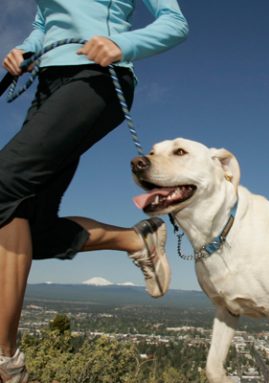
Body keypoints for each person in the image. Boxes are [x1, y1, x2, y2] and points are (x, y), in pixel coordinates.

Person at [0, 1, 189, 381]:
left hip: (98, 78)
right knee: (31, 229)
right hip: (47, 86)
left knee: (4, 182)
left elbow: (175, 22)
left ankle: (5, 360)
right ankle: (137, 240)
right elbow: (42, 22)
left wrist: (125, 45)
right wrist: (27, 48)